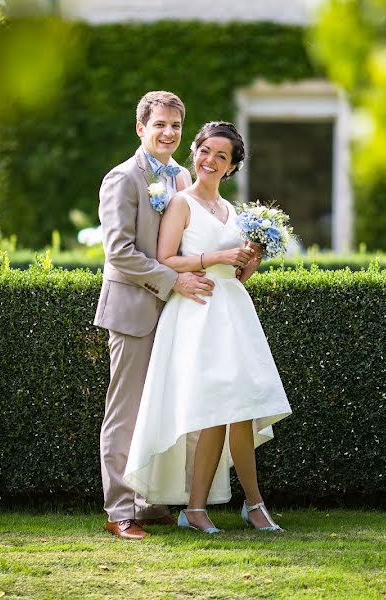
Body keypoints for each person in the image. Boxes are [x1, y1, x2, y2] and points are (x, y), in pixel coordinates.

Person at [124, 122, 292, 533]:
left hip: (233, 314)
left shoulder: (233, 212)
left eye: (222, 156)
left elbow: (237, 275)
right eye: (205, 151)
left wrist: (249, 258)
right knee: (214, 411)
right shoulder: (181, 202)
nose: (210, 160)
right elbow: (165, 258)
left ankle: (252, 505)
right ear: (195, 153)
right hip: (198, 314)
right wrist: (211, 258)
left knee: (242, 411)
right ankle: (196, 510)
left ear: (232, 166)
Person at [94, 91, 216, 540]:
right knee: (125, 412)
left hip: (176, 314)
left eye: (176, 126)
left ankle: (149, 501)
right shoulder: (123, 178)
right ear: (140, 128)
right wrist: (172, 281)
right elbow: (120, 253)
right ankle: (120, 510)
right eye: (160, 124)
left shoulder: (183, 175)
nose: (168, 132)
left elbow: (190, 236)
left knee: (162, 409)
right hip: (133, 310)